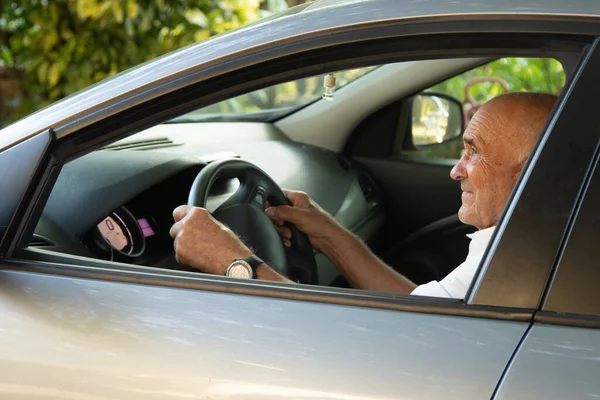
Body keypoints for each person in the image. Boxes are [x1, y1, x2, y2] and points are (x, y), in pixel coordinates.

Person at [169, 92, 557, 298]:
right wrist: (329, 235)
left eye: (475, 153)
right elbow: (421, 315)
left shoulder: (529, 266)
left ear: (534, 173)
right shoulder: (527, 240)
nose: (456, 170)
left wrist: (233, 262)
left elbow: (374, 349)